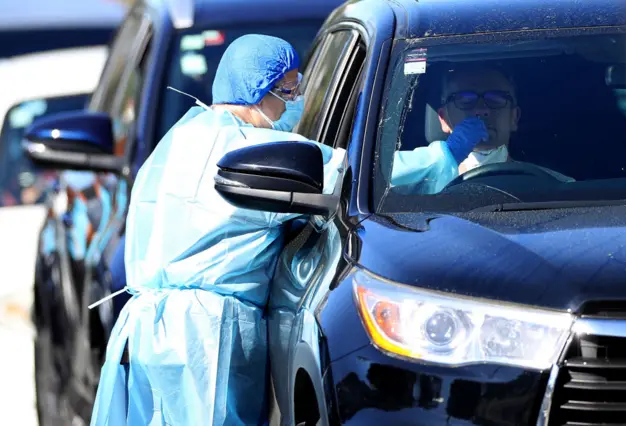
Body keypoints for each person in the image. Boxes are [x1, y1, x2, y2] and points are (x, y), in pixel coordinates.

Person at [88, 35, 498, 426]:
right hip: (207, 334)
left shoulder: (179, 139)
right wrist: (447, 153)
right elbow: (359, 176)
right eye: (286, 92)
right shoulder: (253, 150)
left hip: (146, 331)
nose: (294, 105)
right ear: (258, 89)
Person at [392, 65, 573, 194]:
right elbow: (372, 177)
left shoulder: (556, 187)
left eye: (495, 98)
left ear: (514, 117)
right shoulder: (416, 183)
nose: (481, 110)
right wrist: (446, 156)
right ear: (443, 119)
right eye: (464, 99)